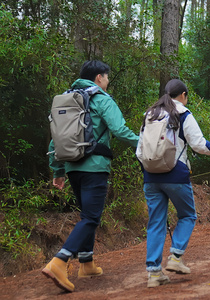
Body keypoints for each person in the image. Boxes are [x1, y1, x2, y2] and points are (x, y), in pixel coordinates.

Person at [42, 60, 140, 292]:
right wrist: (145, 144)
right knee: (92, 218)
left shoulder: (67, 100)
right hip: (94, 166)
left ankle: (86, 263)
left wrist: (57, 171)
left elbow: (55, 138)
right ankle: (60, 261)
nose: (107, 81)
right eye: (107, 77)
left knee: (86, 215)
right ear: (99, 77)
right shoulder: (101, 99)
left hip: (72, 167)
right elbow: (119, 130)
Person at [136, 79, 210, 288]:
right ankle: (176, 257)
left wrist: (148, 171)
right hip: (175, 174)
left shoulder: (149, 114)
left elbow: (139, 148)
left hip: (151, 176)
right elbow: (199, 144)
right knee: (187, 215)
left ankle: (153, 274)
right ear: (184, 95)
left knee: (156, 223)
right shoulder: (183, 113)